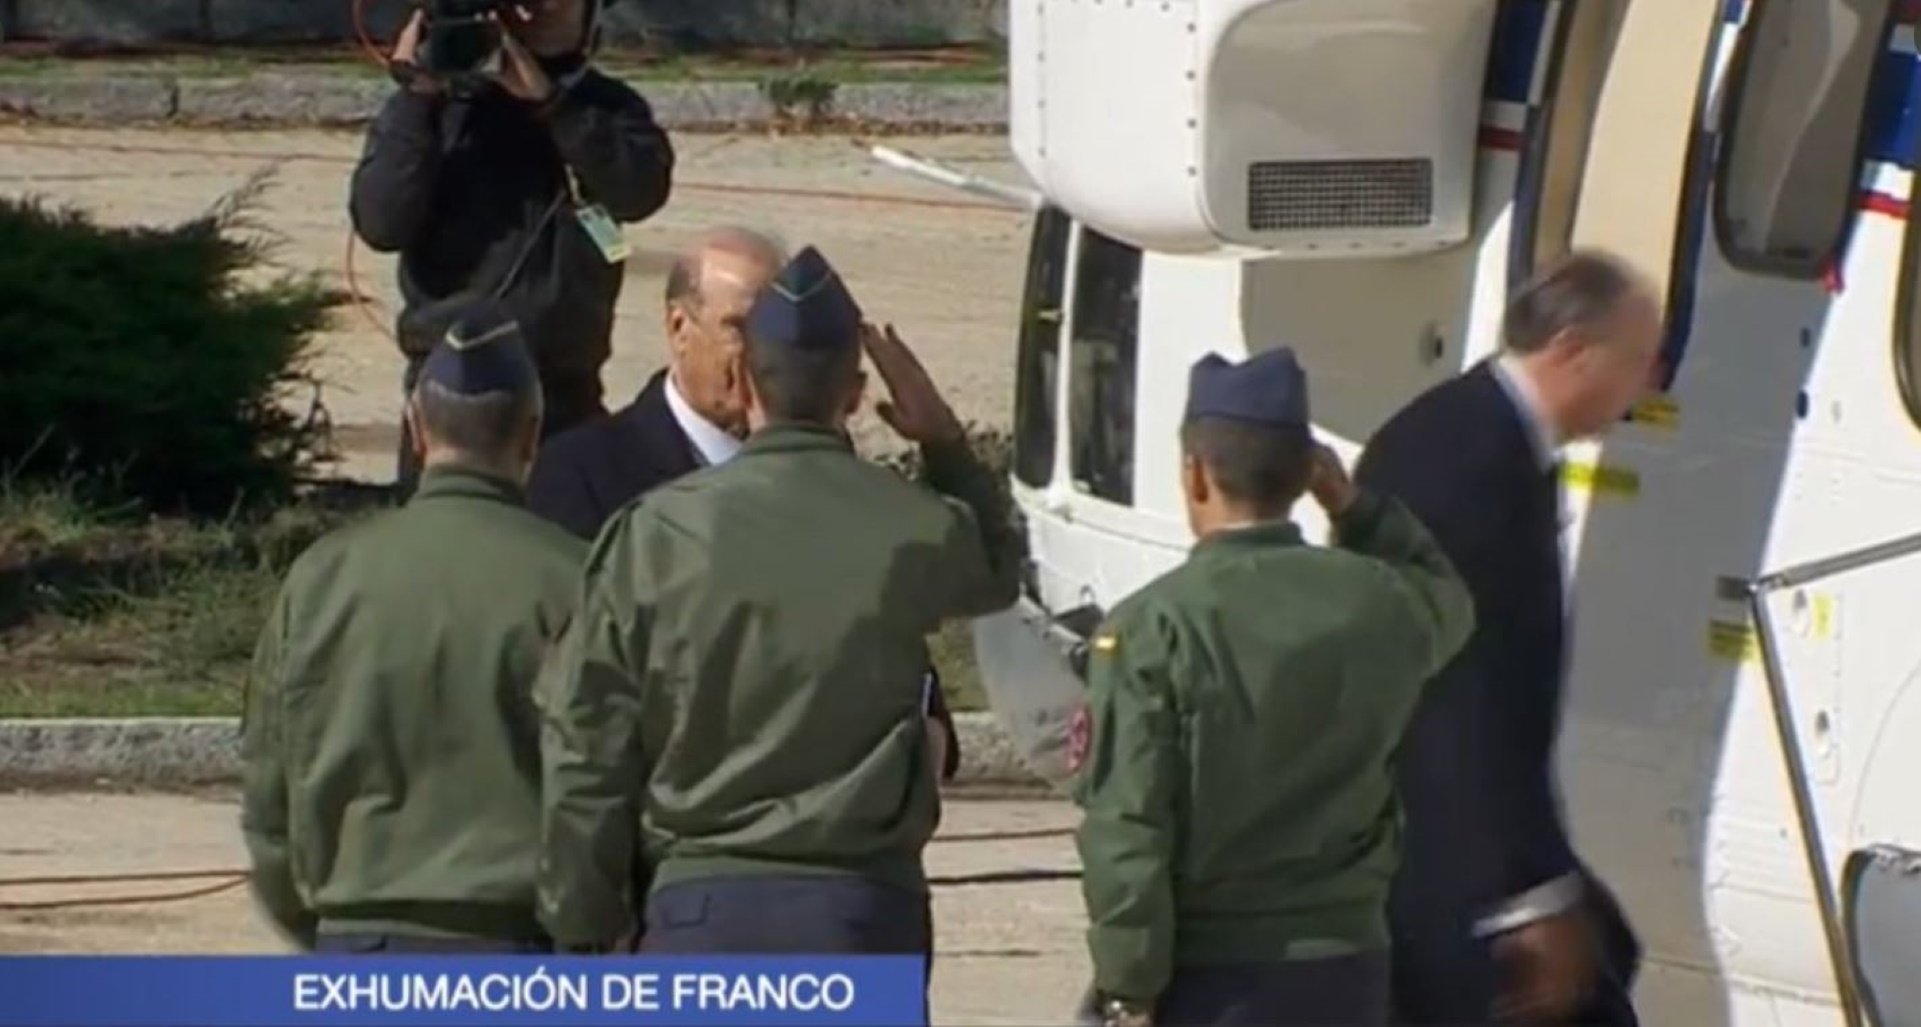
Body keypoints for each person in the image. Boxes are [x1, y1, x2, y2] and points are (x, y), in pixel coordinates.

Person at [536, 246, 1021, 961]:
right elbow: (1000, 571)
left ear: (745, 378)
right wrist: (943, 443)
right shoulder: (914, 524)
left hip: (697, 907)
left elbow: (587, 734)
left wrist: (580, 920)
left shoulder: (657, 531)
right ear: (854, 394)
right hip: (861, 912)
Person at [1073, 347, 1477, 1027]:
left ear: (1194, 474)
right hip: (1346, 971)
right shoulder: (1382, 601)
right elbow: (1450, 601)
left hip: (1211, 978)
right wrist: (1354, 508)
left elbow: (1129, 830)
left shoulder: (1152, 628)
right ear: (1304, 473)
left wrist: (1127, 987)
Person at [524, 225, 965, 782]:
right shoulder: (583, 477)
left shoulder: (829, 476)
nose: (762, 356)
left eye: (770, 332)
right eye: (738, 329)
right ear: (679, 327)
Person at [1353, 250, 1661, 1025]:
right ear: (1571, 351)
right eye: (1634, 362)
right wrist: (1519, 898)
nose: (1644, 386)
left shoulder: (1494, 443)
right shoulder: (1458, 461)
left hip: (1478, 854)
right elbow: (1450, 698)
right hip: (1441, 865)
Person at [239, 307, 586, 954]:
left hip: (359, 944)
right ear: (532, 434)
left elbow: (268, 798)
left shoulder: (322, 581)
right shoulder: (577, 580)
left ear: (415, 430)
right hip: (520, 945)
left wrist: (324, 928)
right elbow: (608, 789)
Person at [350, 0, 675, 495]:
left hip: (565, 394)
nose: (540, 10)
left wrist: (552, 105)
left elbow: (639, 191)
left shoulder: (605, 107)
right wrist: (418, 94)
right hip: (451, 394)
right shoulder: (443, 112)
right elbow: (380, 223)